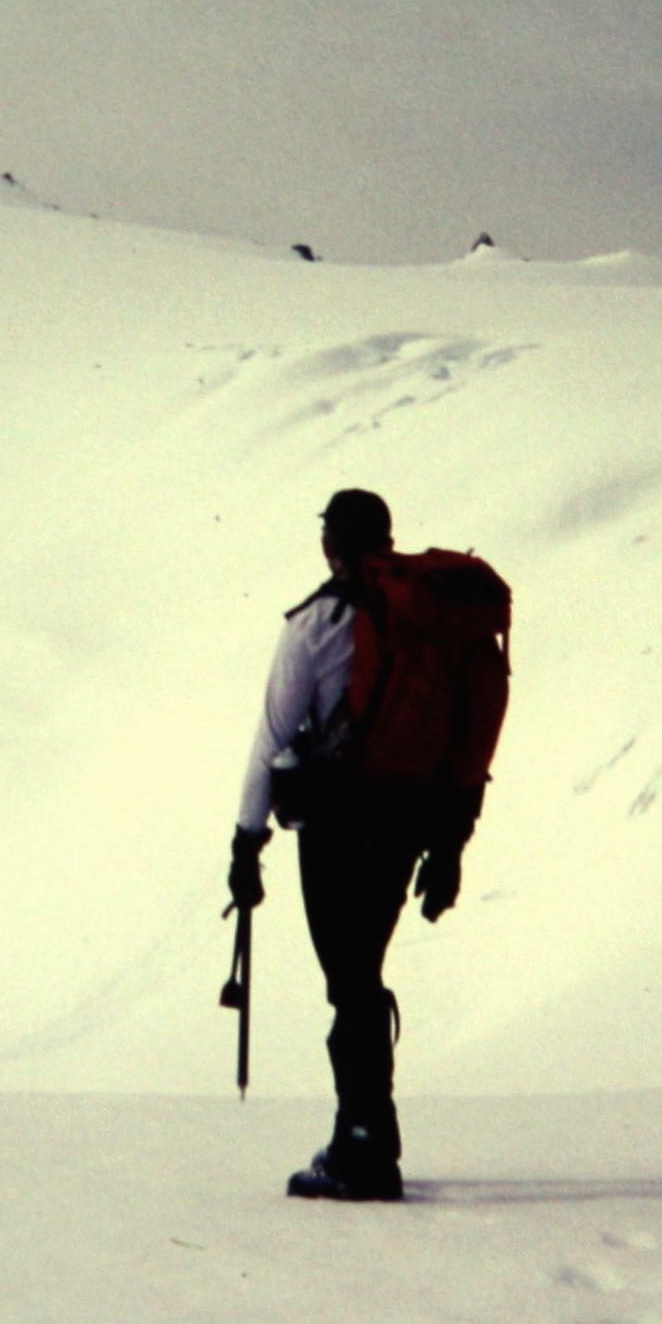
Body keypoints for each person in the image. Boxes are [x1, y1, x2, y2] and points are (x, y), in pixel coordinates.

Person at [227, 487, 491, 1202]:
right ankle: (367, 1133)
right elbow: (466, 725)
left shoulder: (316, 624)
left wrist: (247, 844)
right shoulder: (428, 618)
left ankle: (366, 1147)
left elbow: (273, 739)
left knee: (350, 982)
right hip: (413, 822)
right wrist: (451, 844)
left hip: (339, 826)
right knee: (361, 973)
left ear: (328, 545)